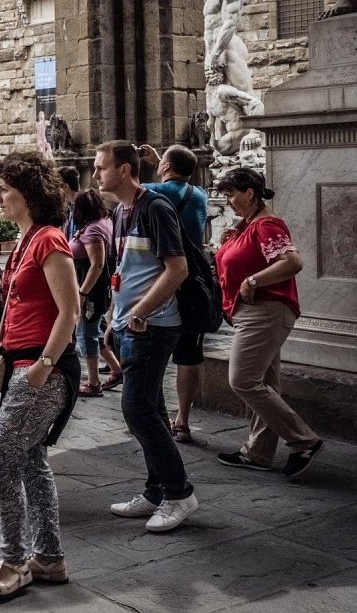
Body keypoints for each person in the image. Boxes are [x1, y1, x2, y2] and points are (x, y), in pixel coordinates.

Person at [0, 151, 80, 599]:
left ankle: (15, 560)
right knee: (29, 459)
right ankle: (49, 558)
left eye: (5, 190)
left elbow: (70, 309)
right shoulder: (27, 239)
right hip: (20, 361)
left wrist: (44, 365)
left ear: (29, 194)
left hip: (42, 367)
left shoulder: (49, 240)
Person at [95, 141, 197, 533]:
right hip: (131, 325)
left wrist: (139, 311)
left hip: (153, 326)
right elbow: (127, 270)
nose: (96, 173)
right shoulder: (121, 211)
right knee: (150, 410)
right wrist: (114, 317)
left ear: (124, 170)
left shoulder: (155, 207)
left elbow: (177, 269)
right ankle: (157, 491)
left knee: (137, 410)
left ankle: (179, 493)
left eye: (102, 167)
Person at [213, 168, 323, 476]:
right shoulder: (249, 225)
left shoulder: (267, 224)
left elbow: (293, 262)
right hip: (255, 313)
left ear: (249, 193)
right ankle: (258, 453)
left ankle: (304, 440)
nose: (228, 201)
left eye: (231, 195)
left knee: (243, 380)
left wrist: (253, 280)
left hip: (265, 311)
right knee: (264, 383)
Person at [140, 143, 209, 443]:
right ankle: (183, 420)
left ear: (167, 167)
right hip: (195, 283)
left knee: (153, 350)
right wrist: (161, 161)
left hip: (165, 280)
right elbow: (178, 183)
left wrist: (143, 165)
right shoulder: (200, 194)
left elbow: (127, 191)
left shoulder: (155, 191)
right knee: (189, 354)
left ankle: (152, 414)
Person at [68, 189, 115, 397]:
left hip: (90, 291)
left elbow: (97, 265)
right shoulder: (101, 223)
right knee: (95, 330)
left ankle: (94, 383)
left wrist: (82, 293)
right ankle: (116, 369)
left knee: (86, 334)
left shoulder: (93, 230)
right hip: (94, 288)